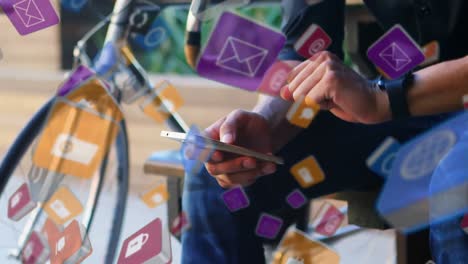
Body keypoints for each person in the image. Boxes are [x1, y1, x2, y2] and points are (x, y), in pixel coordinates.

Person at [181, 0, 468, 263]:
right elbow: (305, 51)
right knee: (217, 179)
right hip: (401, 111)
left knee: (455, 189)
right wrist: (266, 123)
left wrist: (383, 98)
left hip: (413, 103)